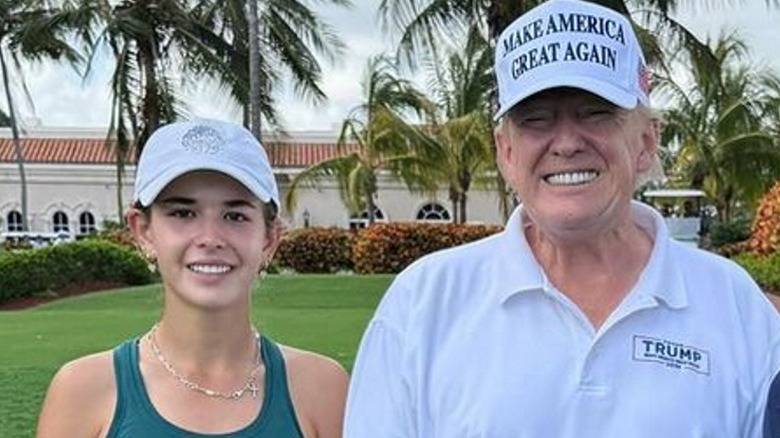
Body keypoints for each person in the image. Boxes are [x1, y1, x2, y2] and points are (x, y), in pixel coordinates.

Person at [343, 0, 780, 436]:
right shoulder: (424, 304)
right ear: (506, 151)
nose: (567, 142)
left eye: (596, 113)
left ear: (646, 141)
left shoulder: (734, 305)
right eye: (536, 119)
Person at [36, 119, 348, 437]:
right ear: (142, 231)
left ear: (269, 238)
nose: (210, 238)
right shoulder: (83, 391)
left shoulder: (321, 389)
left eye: (235, 216)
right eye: (183, 214)